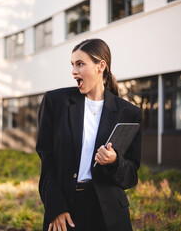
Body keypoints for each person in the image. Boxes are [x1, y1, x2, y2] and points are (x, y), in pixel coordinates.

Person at [36, 38, 142, 231]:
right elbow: (47, 160)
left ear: (101, 66)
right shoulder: (55, 102)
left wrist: (114, 161)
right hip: (65, 210)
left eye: (80, 64)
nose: (74, 71)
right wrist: (55, 207)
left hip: (108, 215)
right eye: (72, 65)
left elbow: (131, 175)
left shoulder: (128, 113)